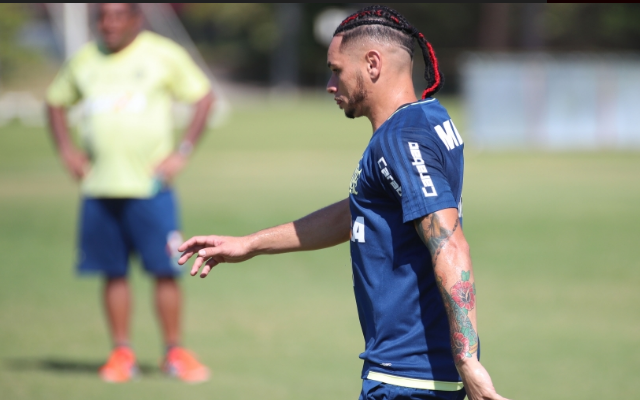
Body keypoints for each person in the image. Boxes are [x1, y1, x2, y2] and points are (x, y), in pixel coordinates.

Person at [178, 6, 508, 400]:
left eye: (336, 70)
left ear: (372, 63)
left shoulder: (400, 140)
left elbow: (449, 243)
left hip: (409, 376)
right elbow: (361, 209)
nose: (331, 84)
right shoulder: (429, 117)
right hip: (415, 371)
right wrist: (250, 244)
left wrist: (469, 361)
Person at [46, 3, 213, 383]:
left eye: (118, 15)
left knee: (166, 270)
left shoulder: (163, 55)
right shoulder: (84, 60)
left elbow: (204, 98)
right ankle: (121, 353)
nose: (109, 23)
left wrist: (181, 152)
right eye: (103, 16)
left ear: (136, 19)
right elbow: (55, 102)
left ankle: (175, 352)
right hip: (100, 186)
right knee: (113, 272)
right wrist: (67, 151)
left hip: (151, 188)